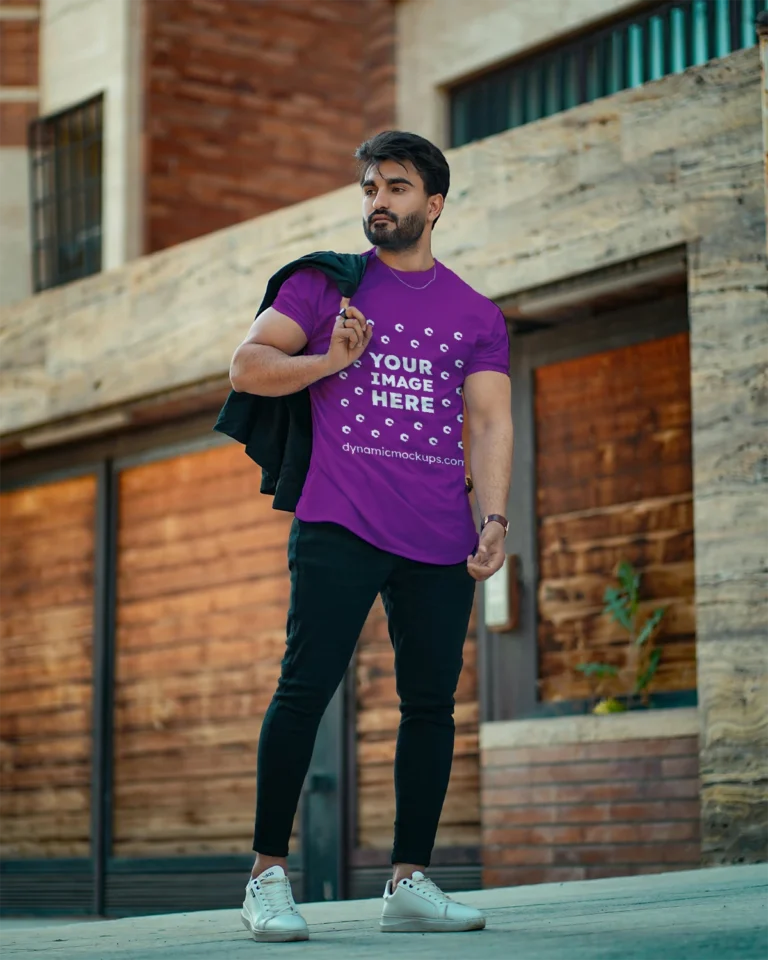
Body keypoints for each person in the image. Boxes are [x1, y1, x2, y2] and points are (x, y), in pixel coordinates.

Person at [230, 131, 513, 942]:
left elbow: (490, 419)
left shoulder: (475, 314)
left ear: (434, 204)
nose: (377, 201)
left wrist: (492, 518)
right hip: (340, 518)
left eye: (395, 186)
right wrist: (327, 360)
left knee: (430, 706)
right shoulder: (327, 286)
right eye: (368, 187)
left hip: (436, 531)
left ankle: (409, 882)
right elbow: (246, 366)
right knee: (305, 689)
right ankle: (266, 877)